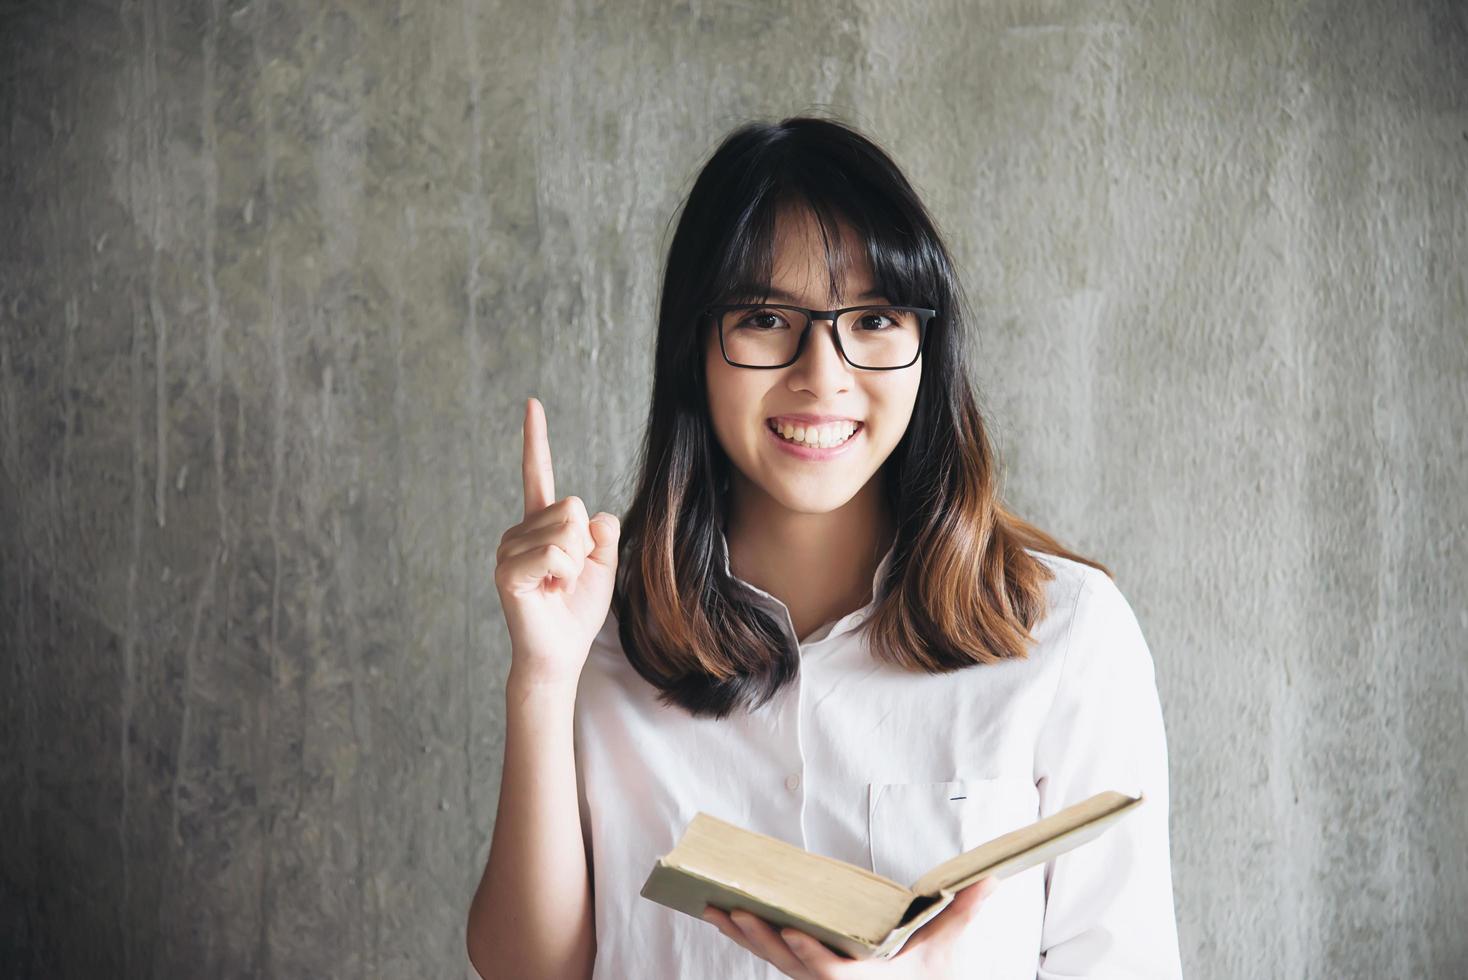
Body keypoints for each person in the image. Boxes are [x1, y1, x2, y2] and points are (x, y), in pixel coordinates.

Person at [465, 115, 1182, 980]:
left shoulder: (1068, 635)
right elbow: (530, 972)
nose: (823, 374)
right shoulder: (599, 629)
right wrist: (542, 678)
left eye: (875, 318)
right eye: (766, 317)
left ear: (928, 345)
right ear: (695, 346)